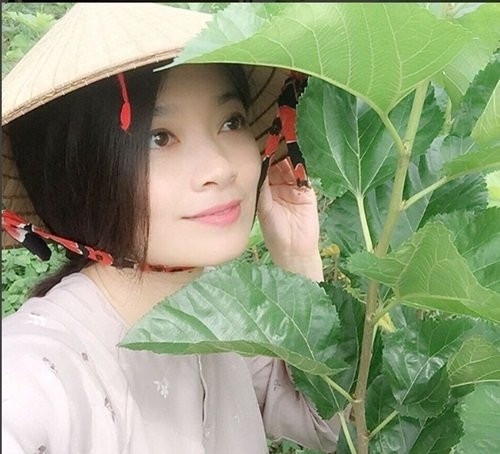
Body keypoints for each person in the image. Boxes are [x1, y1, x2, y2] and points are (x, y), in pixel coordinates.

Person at [2, 4, 341, 453]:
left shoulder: (224, 313)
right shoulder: (36, 370)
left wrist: (298, 256)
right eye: (159, 137)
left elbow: (327, 420)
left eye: (231, 121)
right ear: (78, 172)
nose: (220, 168)